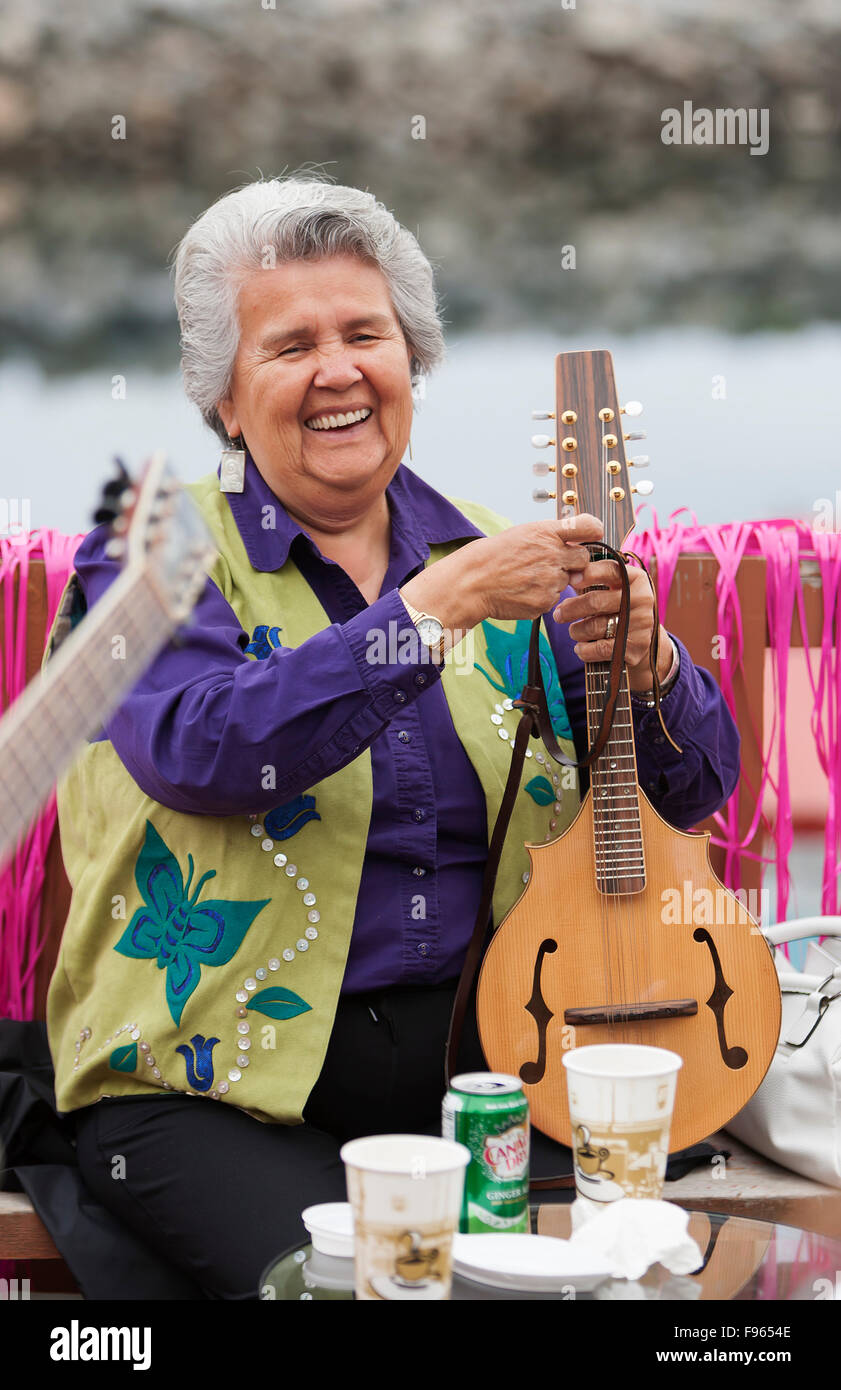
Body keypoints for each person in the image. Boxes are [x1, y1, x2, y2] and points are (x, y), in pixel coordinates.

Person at [44, 176, 740, 1300]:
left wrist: (652, 663)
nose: (337, 369)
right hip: (206, 1096)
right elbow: (203, 750)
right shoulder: (151, 555)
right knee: (349, 1289)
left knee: (643, 1276)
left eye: (365, 334)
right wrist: (427, 613)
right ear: (224, 397)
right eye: (289, 345)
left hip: (494, 1073)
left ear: (409, 362)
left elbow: (693, 785)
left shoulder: (494, 556)